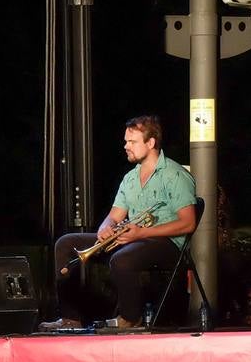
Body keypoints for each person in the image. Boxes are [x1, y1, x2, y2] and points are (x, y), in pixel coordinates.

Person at [41, 115, 196, 331]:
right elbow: (115, 215)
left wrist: (141, 233)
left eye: (132, 142)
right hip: (133, 238)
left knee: (122, 259)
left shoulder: (175, 175)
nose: (126, 146)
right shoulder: (130, 178)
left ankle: (130, 319)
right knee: (66, 244)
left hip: (165, 244)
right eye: (126, 141)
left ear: (150, 143)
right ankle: (70, 318)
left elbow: (188, 223)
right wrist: (106, 227)